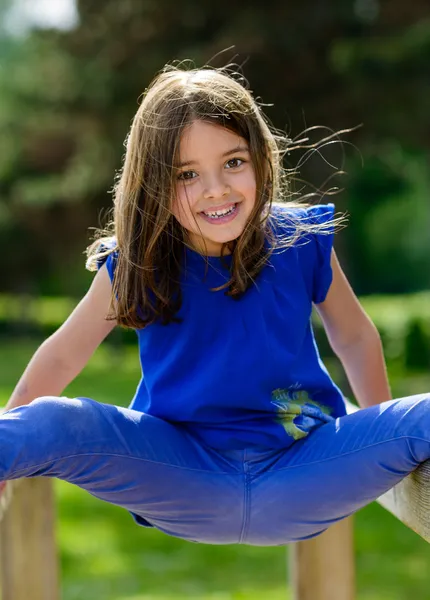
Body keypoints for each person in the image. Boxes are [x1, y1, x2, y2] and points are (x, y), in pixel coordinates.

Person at [1, 64, 429, 546]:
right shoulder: (137, 262)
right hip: (181, 476)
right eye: (187, 174)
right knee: (54, 420)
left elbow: (353, 334)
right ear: (153, 184)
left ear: (261, 159)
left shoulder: (300, 238)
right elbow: (63, 354)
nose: (216, 189)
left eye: (233, 162)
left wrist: (380, 433)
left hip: (303, 473)